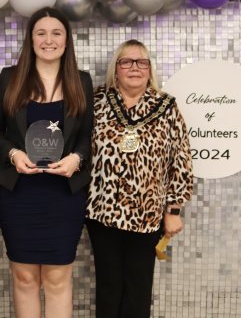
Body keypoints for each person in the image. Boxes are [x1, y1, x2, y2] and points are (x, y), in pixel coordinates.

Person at [0, 7, 93, 318]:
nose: (49, 40)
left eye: (56, 33)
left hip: (64, 197)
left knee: (58, 279)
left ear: (66, 40)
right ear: (31, 39)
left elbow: (88, 137)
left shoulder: (81, 82)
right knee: (24, 278)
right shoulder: (10, 78)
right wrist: (13, 154)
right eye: (41, 33)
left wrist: (77, 157)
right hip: (20, 194)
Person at [86, 39, 193, 318]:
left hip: (147, 215)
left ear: (149, 69)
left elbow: (181, 161)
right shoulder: (97, 102)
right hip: (103, 212)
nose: (135, 67)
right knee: (108, 286)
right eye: (126, 62)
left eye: (141, 62)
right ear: (116, 69)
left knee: (138, 287)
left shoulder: (166, 107)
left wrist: (173, 210)